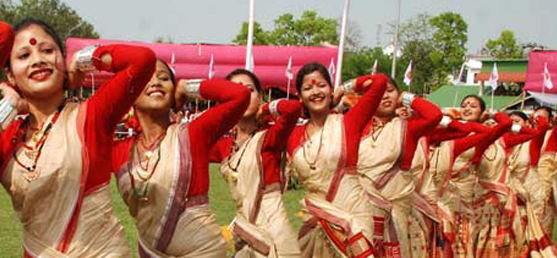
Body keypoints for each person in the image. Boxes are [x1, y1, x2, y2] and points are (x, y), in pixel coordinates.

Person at [0, 18, 156, 257]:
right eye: (23, 56)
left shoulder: (92, 115)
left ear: (62, 60)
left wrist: (83, 60)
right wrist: (7, 103)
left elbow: (142, 61)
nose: (38, 60)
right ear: (10, 76)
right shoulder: (7, 137)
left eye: (48, 50)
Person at [111, 59, 250, 257]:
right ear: (130, 94)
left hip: (202, 251)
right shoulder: (120, 150)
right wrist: (117, 110)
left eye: (164, 78)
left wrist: (187, 87)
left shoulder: (194, 134)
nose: (156, 82)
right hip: (150, 252)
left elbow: (239, 95)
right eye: (145, 78)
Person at [286, 62, 387, 258]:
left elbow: (380, 82)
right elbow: (262, 118)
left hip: (353, 217)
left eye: (321, 85)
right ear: (300, 97)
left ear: (331, 89)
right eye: (308, 88)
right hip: (317, 221)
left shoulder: (349, 122)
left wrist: (346, 88)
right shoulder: (292, 133)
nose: (315, 92)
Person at [210, 69, 302, 257]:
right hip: (246, 233)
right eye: (234, 91)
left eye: (249, 91)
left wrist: (266, 110)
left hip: (275, 233)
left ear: (260, 97)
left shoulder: (268, 137)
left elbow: (293, 109)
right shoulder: (223, 144)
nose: (242, 95)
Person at [355, 77, 443, 258]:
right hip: (360, 211)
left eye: (390, 90)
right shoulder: (354, 127)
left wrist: (408, 98)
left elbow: (435, 115)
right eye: (377, 93)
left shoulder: (408, 128)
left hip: (395, 216)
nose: (384, 96)